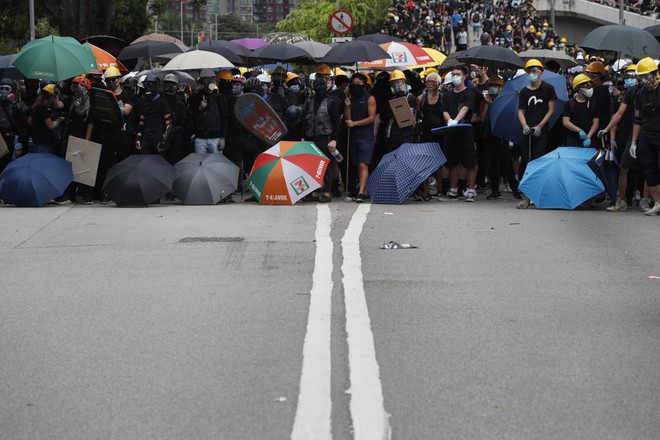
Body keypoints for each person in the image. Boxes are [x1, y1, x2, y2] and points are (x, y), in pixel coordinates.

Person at [517, 58, 557, 209]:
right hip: (527, 131)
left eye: (535, 70)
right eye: (530, 71)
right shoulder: (524, 91)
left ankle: (537, 192)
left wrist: (540, 126)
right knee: (527, 161)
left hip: (541, 131)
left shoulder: (548, 88)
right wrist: (524, 125)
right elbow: (520, 111)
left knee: (537, 161)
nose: (533, 73)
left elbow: (551, 110)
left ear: (541, 72)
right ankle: (526, 193)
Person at [441, 65, 479, 202]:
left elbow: (465, 108)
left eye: (458, 74)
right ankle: (453, 190)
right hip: (450, 132)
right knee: (451, 162)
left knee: (470, 162)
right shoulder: (447, 94)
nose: (455, 76)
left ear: (464, 77)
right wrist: (449, 120)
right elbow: (444, 110)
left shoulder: (470, 93)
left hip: (465, 131)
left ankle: (470, 189)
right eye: (453, 74)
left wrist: (456, 120)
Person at [303, 77, 341, 203]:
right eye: (317, 86)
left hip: (326, 138)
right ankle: (314, 192)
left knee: (326, 165)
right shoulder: (309, 103)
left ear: (325, 87)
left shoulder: (331, 102)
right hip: (311, 138)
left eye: (321, 86)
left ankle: (327, 192)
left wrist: (334, 139)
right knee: (313, 166)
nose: (319, 89)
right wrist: (303, 137)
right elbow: (305, 121)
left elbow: (336, 122)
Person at [631, 57, 660, 216]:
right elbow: (638, 119)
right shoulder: (640, 94)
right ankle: (657, 203)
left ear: (655, 73)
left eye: (647, 75)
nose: (645, 79)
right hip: (646, 137)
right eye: (642, 76)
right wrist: (634, 142)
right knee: (650, 171)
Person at [344, 73, 377, 203]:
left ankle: (361, 192)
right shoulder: (351, 99)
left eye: (359, 83)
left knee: (363, 164)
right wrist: (347, 106)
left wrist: (355, 124)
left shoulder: (370, 99)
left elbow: (371, 118)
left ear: (365, 85)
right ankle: (364, 189)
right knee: (358, 164)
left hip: (366, 136)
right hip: (354, 136)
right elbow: (348, 118)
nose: (356, 86)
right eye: (354, 83)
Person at [189, 70, 228, 154]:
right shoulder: (196, 97)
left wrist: (223, 138)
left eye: (212, 80)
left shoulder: (219, 98)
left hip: (215, 137)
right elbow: (190, 116)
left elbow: (225, 118)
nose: (210, 82)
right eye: (207, 80)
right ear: (202, 82)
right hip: (200, 138)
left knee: (215, 164)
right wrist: (199, 108)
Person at [134, 73, 172, 156]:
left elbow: (168, 124)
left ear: (156, 85)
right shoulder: (144, 102)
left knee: (159, 164)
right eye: (145, 84)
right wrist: (138, 138)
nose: (147, 86)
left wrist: (163, 140)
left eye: (150, 83)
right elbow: (141, 121)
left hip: (158, 137)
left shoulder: (162, 102)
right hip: (147, 137)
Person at [562, 74, 599, 148]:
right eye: (585, 86)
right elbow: (565, 122)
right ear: (579, 88)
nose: (588, 88)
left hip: (589, 140)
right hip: (573, 140)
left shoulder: (593, 103)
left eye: (589, 86)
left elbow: (596, 123)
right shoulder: (569, 104)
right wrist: (579, 130)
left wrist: (588, 136)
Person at [27, 83, 64, 154]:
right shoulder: (43, 109)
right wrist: (58, 121)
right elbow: (50, 126)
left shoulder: (35, 106)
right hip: (43, 143)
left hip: (33, 140)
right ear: (51, 97)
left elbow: (29, 122)